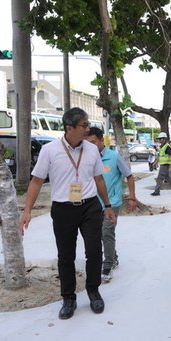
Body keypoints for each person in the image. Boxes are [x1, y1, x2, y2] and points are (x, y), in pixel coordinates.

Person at [19, 107, 117, 320]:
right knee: (66, 256)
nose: (88, 129)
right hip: (63, 209)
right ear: (69, 127)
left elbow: (99, 179)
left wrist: (107, 206)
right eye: (84, 125)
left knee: (94, 251)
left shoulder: (91, 150)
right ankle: (68, 298)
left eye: (88, 124)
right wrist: (27, 211)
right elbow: (36, 181)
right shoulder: (50, 150)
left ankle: (93, 291)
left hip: (90, 206)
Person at [86, 127, 137, 283]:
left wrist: (132, 198)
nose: (91, 146)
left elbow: (129, 176)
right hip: (93, 203)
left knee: (107, 232)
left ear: (102, 140)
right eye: (88, 143)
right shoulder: (87, 158)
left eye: (93, 142)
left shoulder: (114, 157)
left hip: (112, 203)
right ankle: (113, 257)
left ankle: (107, 266)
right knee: (99, 234)